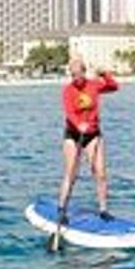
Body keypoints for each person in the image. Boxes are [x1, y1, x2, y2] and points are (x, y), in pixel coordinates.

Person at [56, 55, 119, 223]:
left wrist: (104, 74)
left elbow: (114, 87)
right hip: (73, 134)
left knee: (100, 173)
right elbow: (69, 112)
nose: (75, 78)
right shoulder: (68, 90)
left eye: (78, 74)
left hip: (93, 134)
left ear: (84, 72)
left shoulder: (94, 85)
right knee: (71, 173)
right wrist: (79, 124)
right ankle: (62, 209)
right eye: (72, 75)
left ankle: (103, 210)